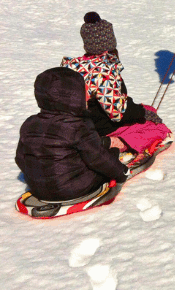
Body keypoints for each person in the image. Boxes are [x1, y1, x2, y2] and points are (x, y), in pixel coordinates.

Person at [61, 12, 169, 159]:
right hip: (99, 127)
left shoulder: (74, 65)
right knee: (158, 128)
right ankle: (118, 143)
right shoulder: (102, 71)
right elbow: (117, 112)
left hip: (79, 125)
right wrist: (142, 114)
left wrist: (141, 110)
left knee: (148, 109)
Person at [16, 67, 129, 201]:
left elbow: (21, 158)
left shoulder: (30, 123)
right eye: (84, 92)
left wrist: (36, 176)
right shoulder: (79, 125)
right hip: (74, 189)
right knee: (110, 154)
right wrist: (121, 172)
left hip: (37, 187)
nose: (87, 95)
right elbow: (98, 158)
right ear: (73, 97)